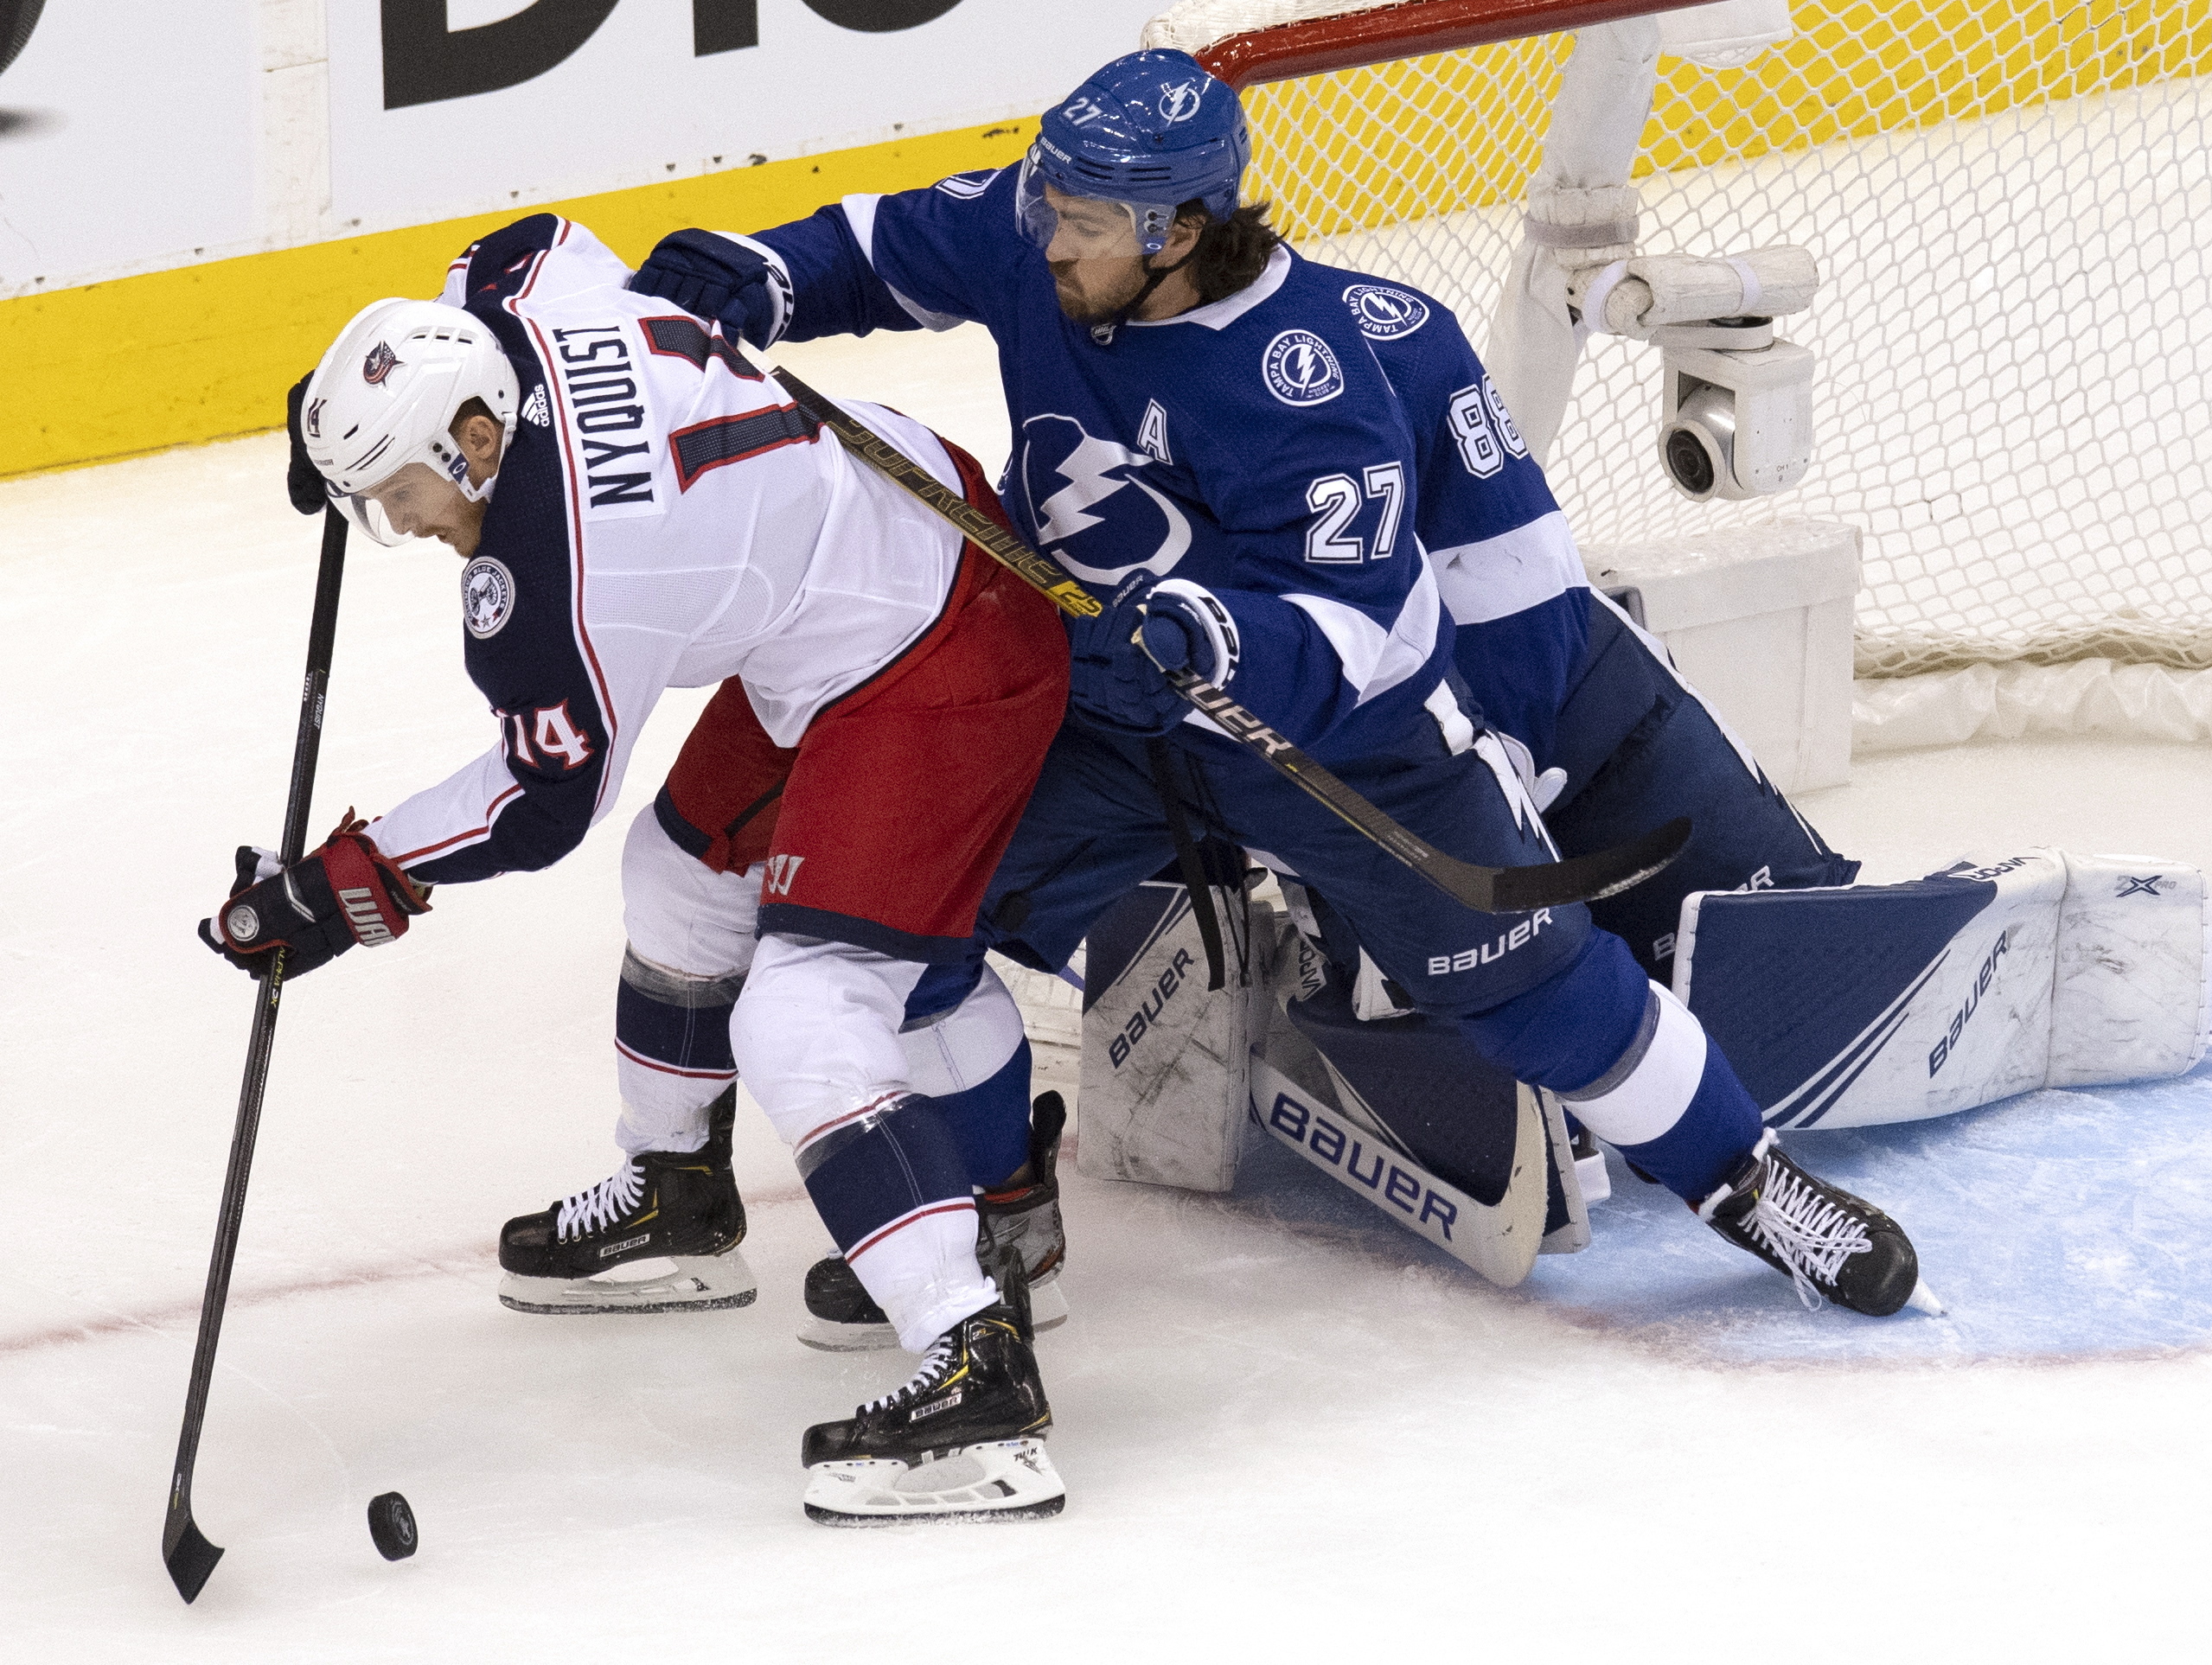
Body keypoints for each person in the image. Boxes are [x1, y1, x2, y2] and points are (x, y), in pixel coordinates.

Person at [627, 50, 1928, 1319]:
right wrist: (760, 272)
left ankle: (1745, 1179)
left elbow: (1357, 625)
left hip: (1337, 739)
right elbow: (879, 244)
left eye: (1081, 224)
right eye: (1046, 206)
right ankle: (1003, 1204)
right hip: (1105, 708)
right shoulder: (1050, 227)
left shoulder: (1302, 379)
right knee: (915, 920)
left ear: (1179, 227)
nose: (1047, 242)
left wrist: (1224, 637)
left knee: (1536, 985)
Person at [198, 214, 1071, 1522]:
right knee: (678, 878)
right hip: (859, 555)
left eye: (402, 494)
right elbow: (528, 245)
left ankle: (978, 1354)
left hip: (943, 639)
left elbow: (538, 805)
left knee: (809, 1010)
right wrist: (339, 404)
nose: (405, 522)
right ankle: (679, 1188)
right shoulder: (517, 316)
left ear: (476, 441)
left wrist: (339, 887)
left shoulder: (559, 581)